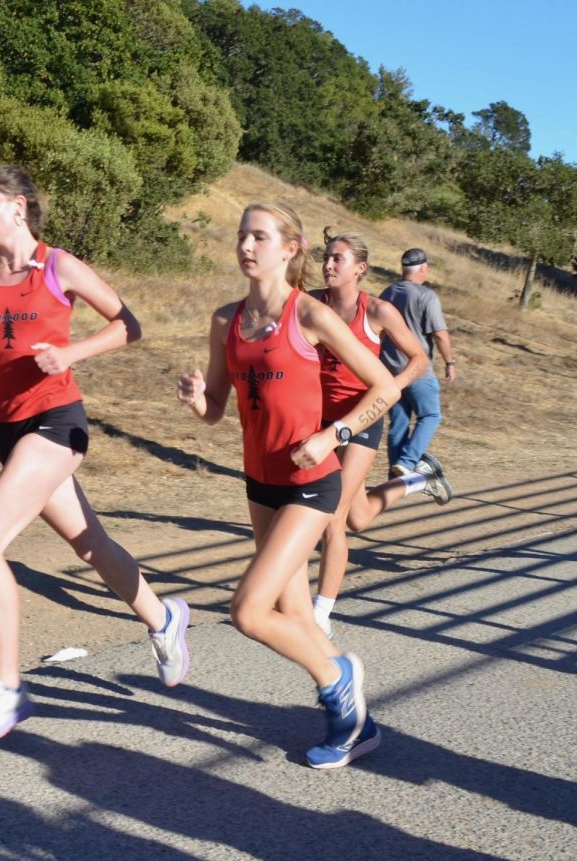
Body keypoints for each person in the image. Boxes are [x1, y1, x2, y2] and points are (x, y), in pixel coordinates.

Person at [0, 165, 189, 742]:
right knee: (90, 545)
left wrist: (72, 352)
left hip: (58, 421)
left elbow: (128, 325)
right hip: (5, 427)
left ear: (19, 207)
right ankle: (163, 618)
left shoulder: (60, 266)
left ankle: (6, 689)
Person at [176, 202, 399, 769]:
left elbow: (385, 388)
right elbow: (217, 411)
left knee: (249, 611)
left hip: (311, 481)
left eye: (259, 237)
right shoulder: (226, 320)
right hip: (261, 482)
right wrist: (198, 399)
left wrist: (334, 435)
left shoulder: (311, 317)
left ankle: (337, 675)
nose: (246, 246)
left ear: (290, 248)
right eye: (241, 236)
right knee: (294, 614)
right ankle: (358, 725)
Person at [310, 227, 450, 638]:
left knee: (332, 518)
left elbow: (417, 359)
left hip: (363, 417)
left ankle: (320, 616)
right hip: (320, 421)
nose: (329, 264)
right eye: (326, 257)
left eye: (338, 258)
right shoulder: (312, 304)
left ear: (360, 269)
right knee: (359, 517)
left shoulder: (377, 311)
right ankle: (418, 480)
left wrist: (390, 392)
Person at [379, 248, 456, 477]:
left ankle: (396, 475)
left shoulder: (387, 293)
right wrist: (449, 362)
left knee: (399, 422)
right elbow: (440, 334)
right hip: (418, 370)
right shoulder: (426, 296)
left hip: (390, 371)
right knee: (431, 415)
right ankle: (408, 460)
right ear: (423, 269)